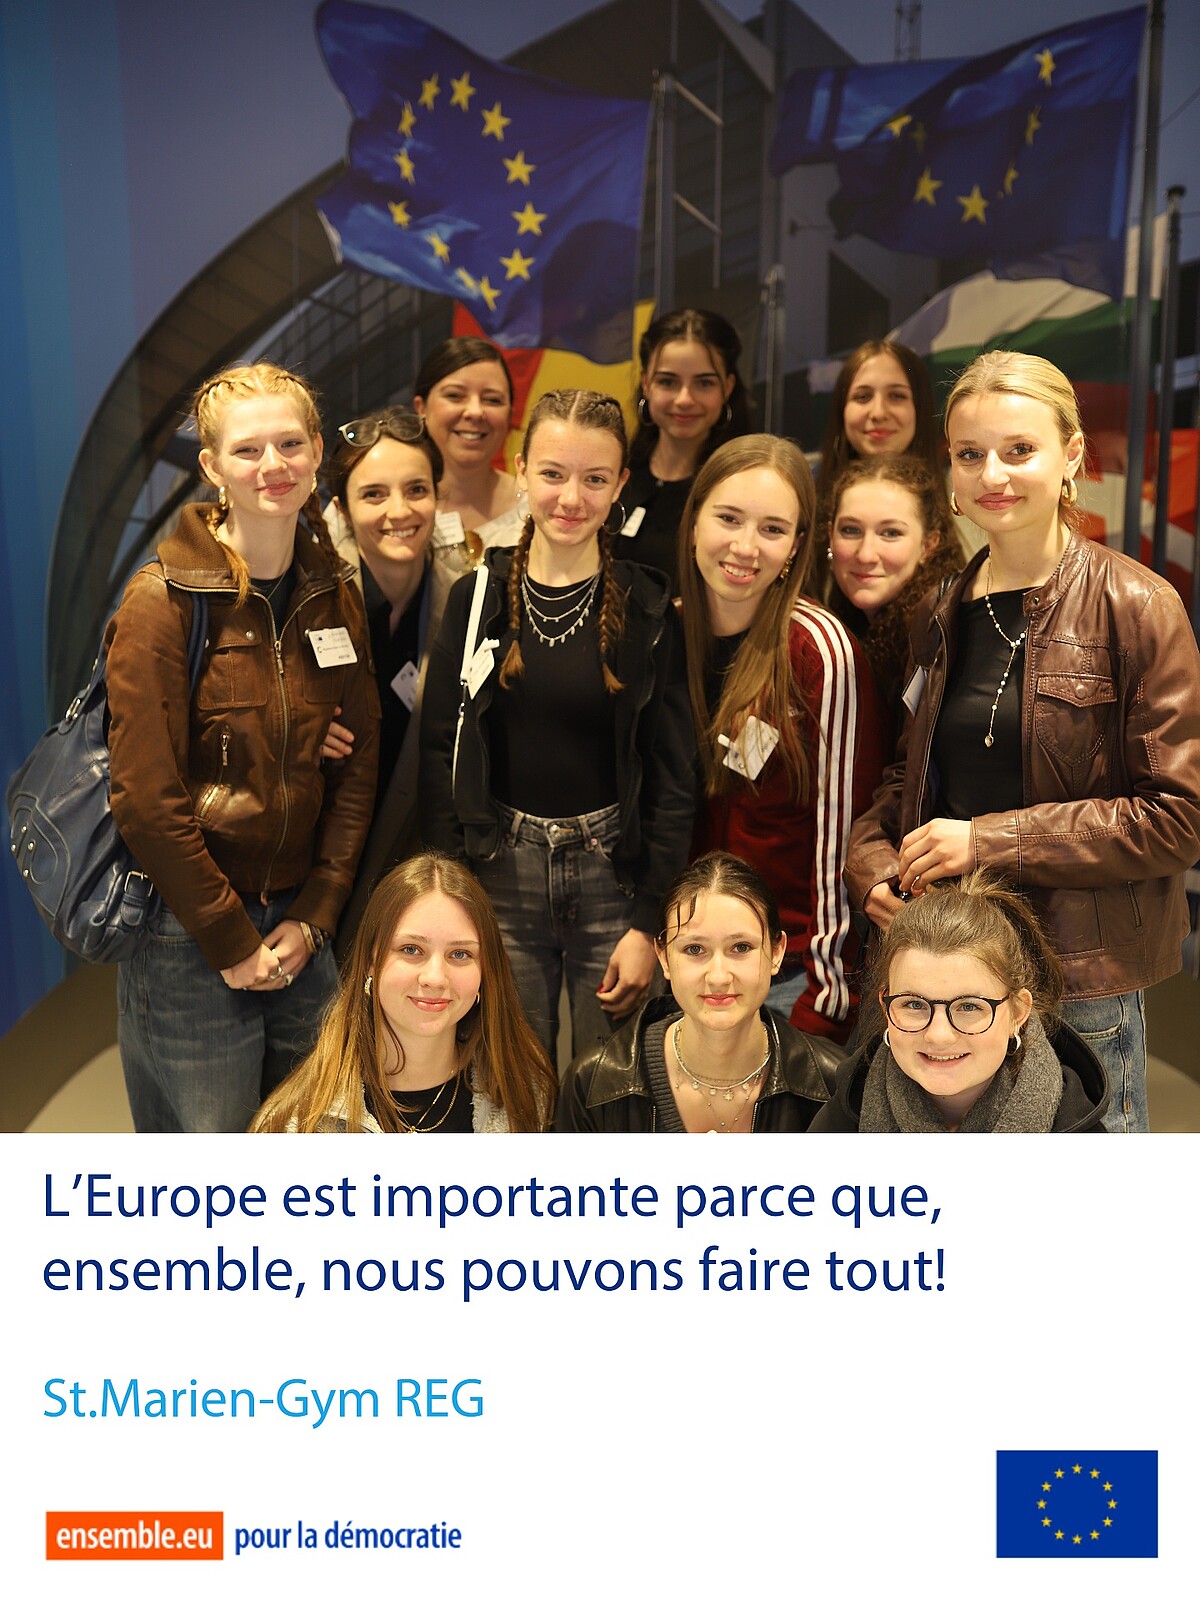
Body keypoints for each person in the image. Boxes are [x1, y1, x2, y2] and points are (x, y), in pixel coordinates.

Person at [847, 350, 1200, 1133]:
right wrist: (871, 864)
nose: (993, 475)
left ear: (1070, 454)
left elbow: (1178, 818)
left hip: (1079, 978)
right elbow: (905, 777)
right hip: (948, 977)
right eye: (971, 454)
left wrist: (987, 840)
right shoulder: (939, 608)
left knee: (1080, 1201)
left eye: (1019, 450)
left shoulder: (1137, 606)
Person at [105, 362, 380, 1133]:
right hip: (187, 932)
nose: (273, 465)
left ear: (317, 450)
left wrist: (320, 909)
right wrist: (229, 939)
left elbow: (359, 765)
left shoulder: (333, 590)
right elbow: (146, 800)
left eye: (290, 443)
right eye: (248, 450)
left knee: (316, 1148)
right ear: (212, 466)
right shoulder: (162, 601)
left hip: (300, 927)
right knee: (213, 1174)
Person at [421, 388, 695, 1062]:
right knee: (512, 1081)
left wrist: (649, 923)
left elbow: (673, 778)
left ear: (620, 484)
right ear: (521, 470)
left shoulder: (647, 606)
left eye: (594, 479)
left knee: (612, 1085)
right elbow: (440, 751)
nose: (571, 498)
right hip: (500, 875)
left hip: (613, 879)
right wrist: (453, 893)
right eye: (552, 474)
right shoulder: (477, 596)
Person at [679, 435, 886, 1044]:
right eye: (728, 518)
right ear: (694, 523)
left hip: (788, 974)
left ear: (796, 546)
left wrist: (827, 998)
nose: (746, 547)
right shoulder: (664, 631)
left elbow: (842, 837)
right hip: (684, 963)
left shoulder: (818, 651)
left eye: (772, 529)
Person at [250, 853, 555, 1133]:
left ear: (485, 972)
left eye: (460, 954)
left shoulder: (526, 1096)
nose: (435, 978)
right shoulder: (295, 1125)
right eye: (411, 949)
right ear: (370, 962)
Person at [557, 852, 840, 1132]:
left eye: (741, 947)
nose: (718, 977)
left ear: (776, 952)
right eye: (694, 949)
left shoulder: (834, 1083)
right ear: (663, 957)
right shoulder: (592, 1083)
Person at [810, 872, 1108, 1132]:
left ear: (1018, 1012)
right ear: (886, 1008)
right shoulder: (844, 1113)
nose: (939, 1035)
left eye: (968, 1006)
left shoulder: (1079, 1134)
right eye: (914, 1004)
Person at [320, 407, 452, 937]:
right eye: (373, 494)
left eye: (416, 489)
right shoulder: (311, 600)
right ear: (341, 509)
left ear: (438, 496)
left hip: (409, 859)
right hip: (312, 860)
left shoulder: (465, 598)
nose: (399, 511)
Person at [820, 453, 964, 731]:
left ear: (928, 545)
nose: (865, 554)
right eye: (850, 530)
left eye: (890, 533)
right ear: (830, 536)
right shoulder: (841, 625)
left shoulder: (939, 639)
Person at [621, 308, 750, 587]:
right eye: (667, 381)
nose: (684, 399)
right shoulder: (614, 474)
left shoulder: (745, 488)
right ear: (646, 383)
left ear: (727, 387)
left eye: (704, 383)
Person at [412, 335, 523, 572]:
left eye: (492, 400)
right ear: (421, 407)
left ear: (510, 413)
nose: (475, 412)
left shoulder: (538, 509)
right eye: (455, 396)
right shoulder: (381, 507)